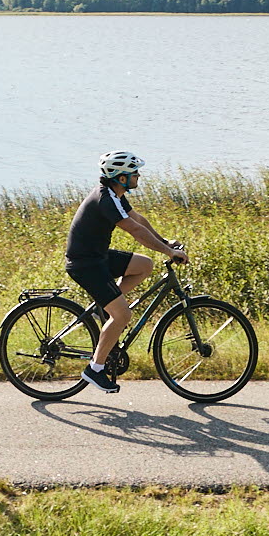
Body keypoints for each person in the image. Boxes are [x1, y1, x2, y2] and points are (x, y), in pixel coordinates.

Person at [66, 150, 187, 394]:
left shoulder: (116, 194)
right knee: (122, 316)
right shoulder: (106, 199)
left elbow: (137, 219)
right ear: (121, 178)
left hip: (97, 256)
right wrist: (167, 252)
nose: (139, 176)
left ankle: (107, 306)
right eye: (134, 173)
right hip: (86, 264)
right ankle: (95, 369)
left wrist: (166, 242)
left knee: (145, 265)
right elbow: (134, 230)